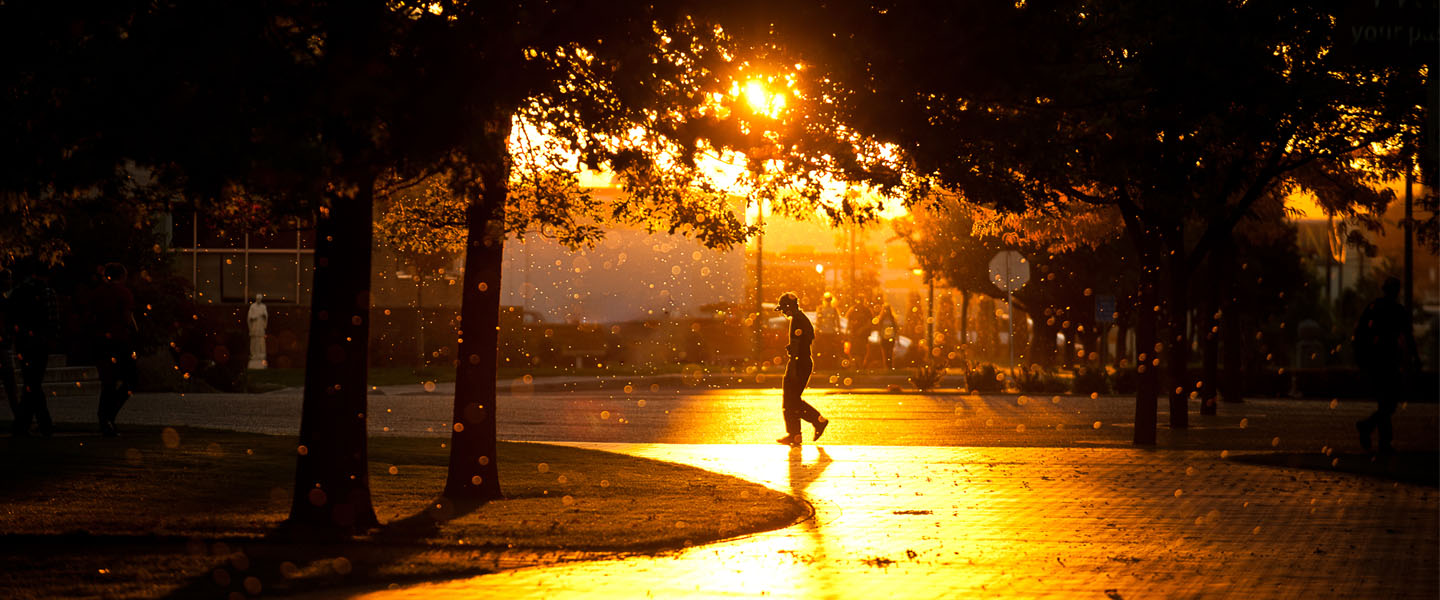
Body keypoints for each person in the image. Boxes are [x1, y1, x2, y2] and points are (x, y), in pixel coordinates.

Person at [1353, 277, 1418, 454]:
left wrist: (1361, 359)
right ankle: (1376, 434)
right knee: (1388, 404)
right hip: (1388, 360)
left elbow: (1360, 333)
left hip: (1375, 360)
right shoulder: (1397, 310)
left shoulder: (1374, 307)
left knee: (1385, 403)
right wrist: (1414, 359)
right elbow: (1408, 337)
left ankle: (1378, 436)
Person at [10, 262, 59, 436]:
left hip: (23, 341)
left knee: (30, 382)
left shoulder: (19, 291)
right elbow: (53, 320)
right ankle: (40, 423)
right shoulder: (47, 292)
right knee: (34, 382)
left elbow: (12, 315)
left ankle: (25, 423)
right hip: (40, 341)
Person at [774, 292, 829, 446]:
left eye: (784, 309)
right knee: (791, 400)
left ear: (788, 307)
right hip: (802, 362)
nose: (783, 313)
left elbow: (797, 345)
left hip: (799, 363)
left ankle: (817, 420)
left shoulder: (797, 320)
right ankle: (795, 435)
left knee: (791, 400)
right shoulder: (801, 318)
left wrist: (793, 368)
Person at [93, 263, 138, 437]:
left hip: (101, 341)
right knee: (131, 379)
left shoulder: (98, 293)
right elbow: (127, 317)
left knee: (108, 382)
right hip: (119, 341)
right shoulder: (123, 293)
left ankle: (105, 418)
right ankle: (108, 416)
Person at [0, 270, 18, 422]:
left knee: (11, 385)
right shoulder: (3, 301)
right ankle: (19, 418)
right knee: (11, 385)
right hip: (3, 347)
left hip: (4, 345)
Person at [814, 293, 842, 369]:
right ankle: (825, 365)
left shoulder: (833, 309)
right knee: (825, 349)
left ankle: (828, 365)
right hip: (824, 332)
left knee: (828, 350)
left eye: (829, 300)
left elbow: (837, 321)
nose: (828, 301)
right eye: (827, 300)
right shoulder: (821, 308)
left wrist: (838, 331)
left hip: (829, 332)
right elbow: (818, 321)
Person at [843, 300, 872, 369]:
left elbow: (869, 323)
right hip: (855, 334)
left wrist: (862, 329)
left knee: (861, 351)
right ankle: (856, 365)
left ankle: (859, 365)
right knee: (854, 350)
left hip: (863, 334)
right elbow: (848, 321)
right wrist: (848, 331)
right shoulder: (852, 310)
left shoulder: (866, 310)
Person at [875, 303, 899, 370]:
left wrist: (896, 336)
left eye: (887, 310)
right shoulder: (881, 319)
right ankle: (886, 366)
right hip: (884, 337)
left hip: (891, 337)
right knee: (885, 353)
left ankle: (890, 366)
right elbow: (879, 329)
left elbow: (895, 328)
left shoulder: (892, 319)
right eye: (885, 309)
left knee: (890, 352)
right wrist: (879, 336)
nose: (886, 311)